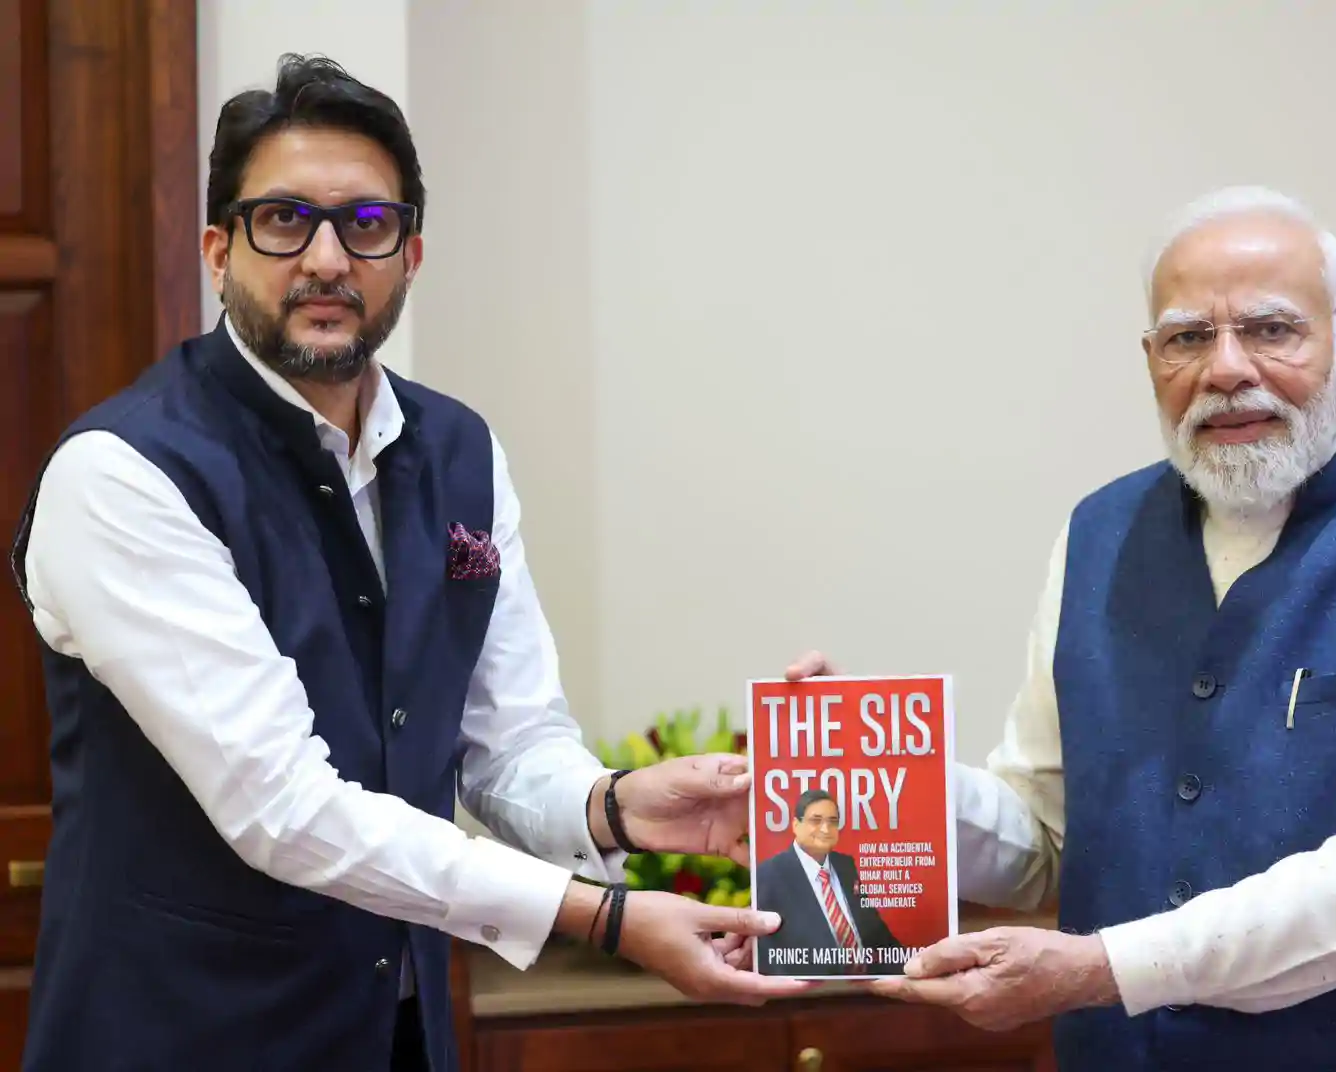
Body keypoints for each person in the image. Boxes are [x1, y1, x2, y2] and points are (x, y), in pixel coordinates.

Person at [9, 54, 804, 1072]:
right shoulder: (122, 474)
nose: (327, 258)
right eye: (283, 219)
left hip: (399, 1036)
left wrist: (614, 805)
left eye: (367, 224)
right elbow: (284, 809)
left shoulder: (460, 450)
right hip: (178, 1038)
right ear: (217, 250)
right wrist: (598, 915)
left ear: (411, 255)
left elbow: (508, 744)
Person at [786, 186, 1336, 1070]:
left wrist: (1110, 968)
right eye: (1188, 338)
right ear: (1151, 359)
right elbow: (1046, 837)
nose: (1226, 369)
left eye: (1270, 330)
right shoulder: (1098, 535)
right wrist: (876, 781)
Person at [753, 788, 904, 976]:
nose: (825, 829)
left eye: (832, 822)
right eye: (816, 821)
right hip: (809, 990)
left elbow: (878, 935)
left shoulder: (845, 866)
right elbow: (769, 956)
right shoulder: (770, 874)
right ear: (796, 825)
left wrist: (909, 969)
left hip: (869, 986)